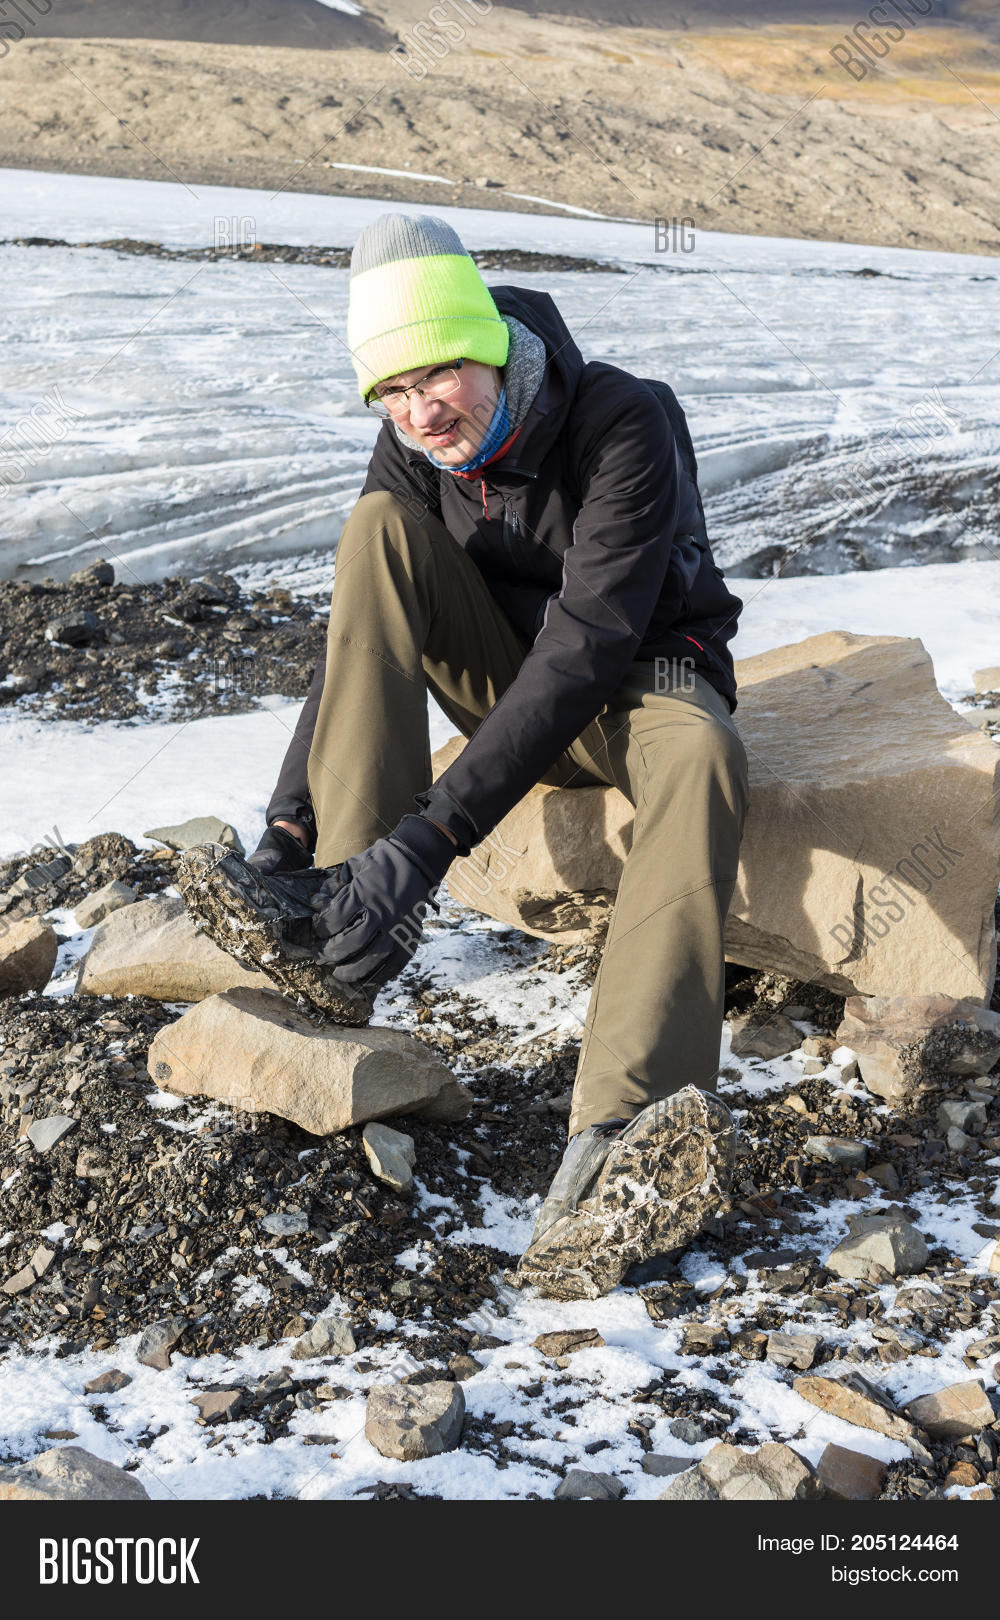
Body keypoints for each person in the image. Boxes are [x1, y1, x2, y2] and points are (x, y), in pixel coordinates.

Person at [183, 212, 750, 1302]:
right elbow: (362, 622)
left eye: (437, 371)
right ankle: (341, 927)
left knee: (705, 765)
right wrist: (291, 822)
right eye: (391, 392)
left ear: (487, 343)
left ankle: (628, 1126)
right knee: (374, 536)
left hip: (640, 681)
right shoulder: (408, 445)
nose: (419, 410)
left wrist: (434, 835)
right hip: (503, 681)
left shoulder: (620, 418)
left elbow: (590, 644)